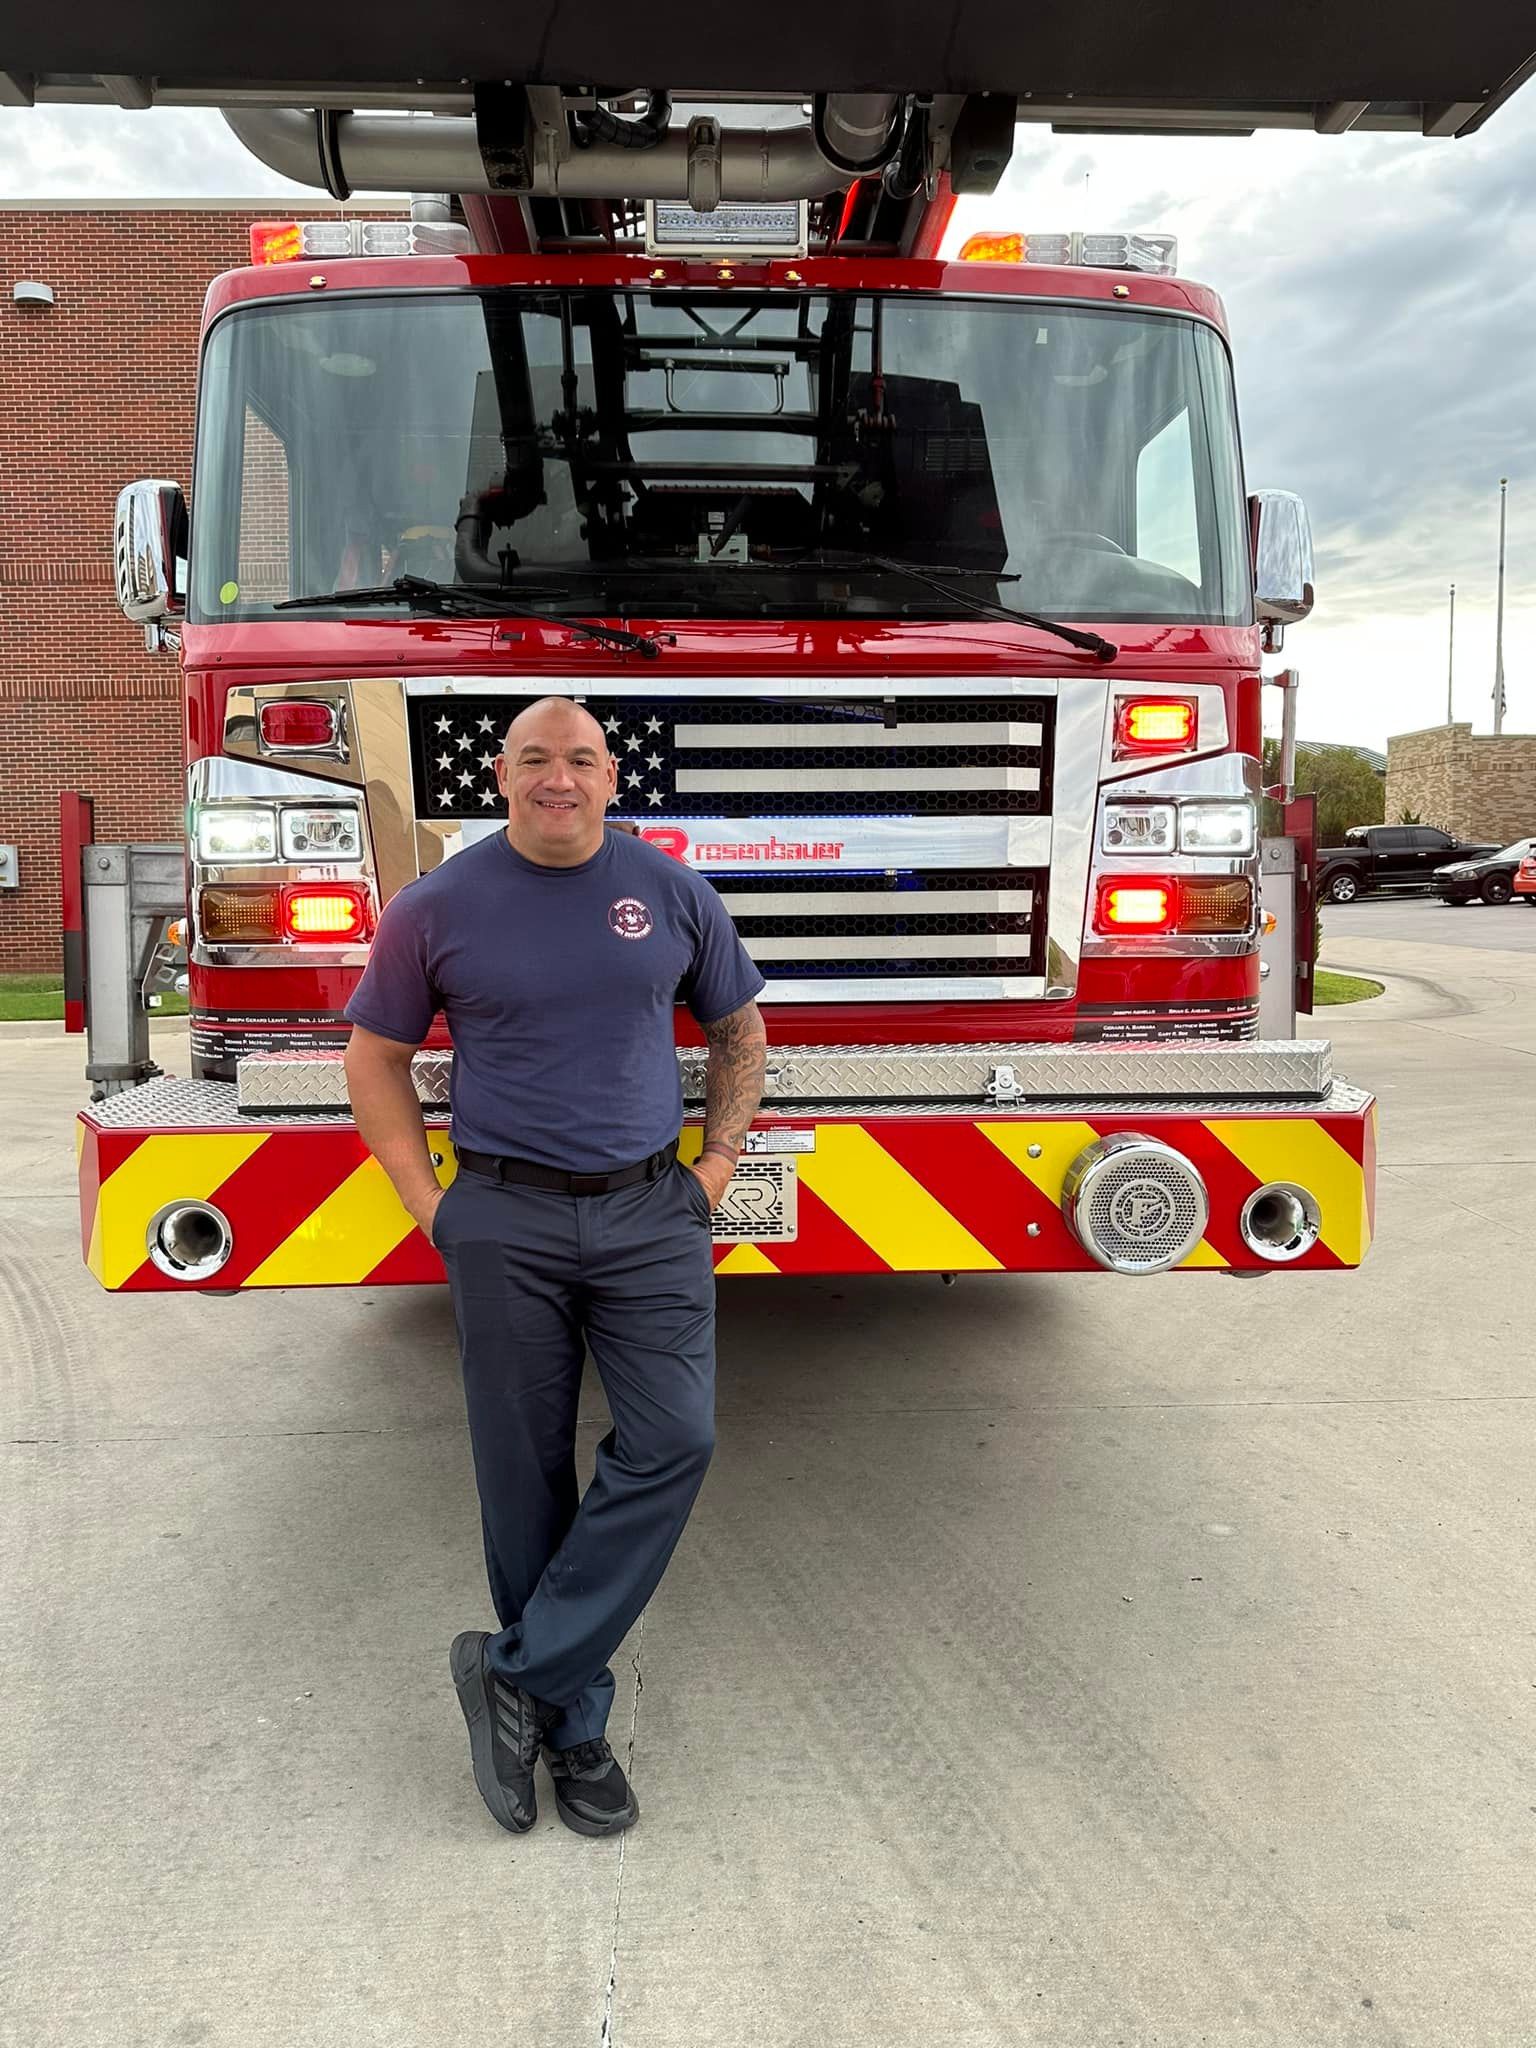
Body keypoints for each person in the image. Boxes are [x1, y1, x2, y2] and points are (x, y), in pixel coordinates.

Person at [342, 698, 767, 1839]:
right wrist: (430, 1205)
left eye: (580, 758)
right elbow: (375, 1057)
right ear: (502, 773)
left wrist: (715, 1166)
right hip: (503, 1217)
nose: (558, 778)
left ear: (610, 774)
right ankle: (573, 1728)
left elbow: (739, 1032)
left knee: (676, 1436)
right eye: (535, 758)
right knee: (522, 1476)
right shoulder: (438, 906)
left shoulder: (671, 889)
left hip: (650, 1211)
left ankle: (515, 1672)